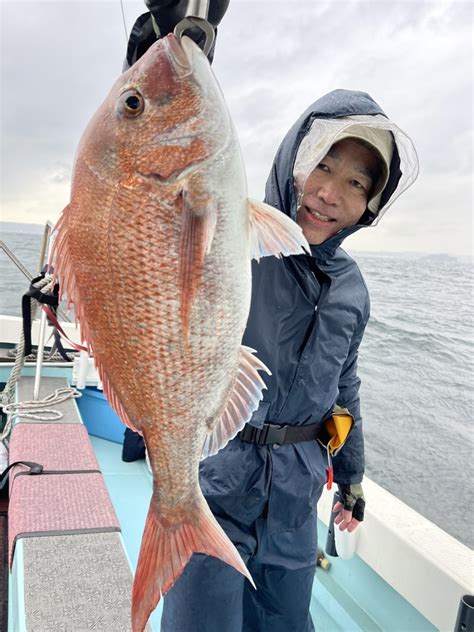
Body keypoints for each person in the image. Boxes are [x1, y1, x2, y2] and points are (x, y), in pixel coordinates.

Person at [123, 3, 419, 630]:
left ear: (371, 204)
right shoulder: (238, 235)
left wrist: (353, 479)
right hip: (217, 490)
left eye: (358, 184)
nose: (330, 192)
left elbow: (346, 387)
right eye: (324, 164)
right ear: (294, 159)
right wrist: (161, 58)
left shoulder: (352, 289)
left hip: (293, 509)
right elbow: (154, 207)